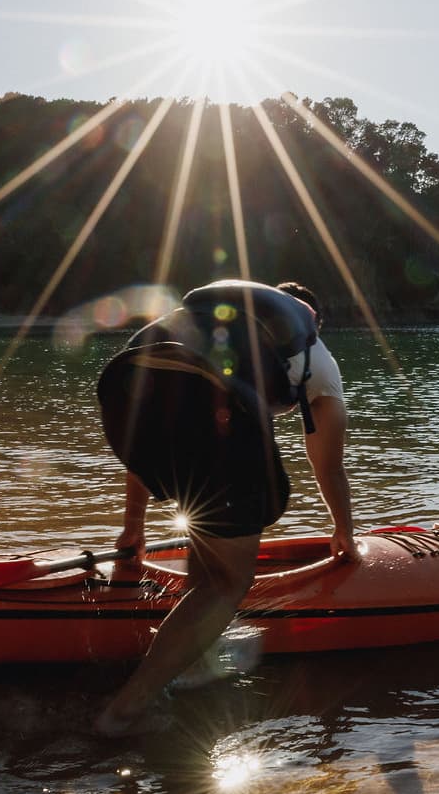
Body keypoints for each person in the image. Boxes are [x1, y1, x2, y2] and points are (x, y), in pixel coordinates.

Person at [92, 279, 354, 735]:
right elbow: (327, 467)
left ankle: (194, 664)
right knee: (230, 582)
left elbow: (149, 437)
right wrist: (345, 533)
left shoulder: (205, 324)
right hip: (213, 419)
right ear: (311, 322)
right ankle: (124, 712)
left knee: (209, 558)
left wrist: (133, 526)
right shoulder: (318, 358)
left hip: (128, 391)